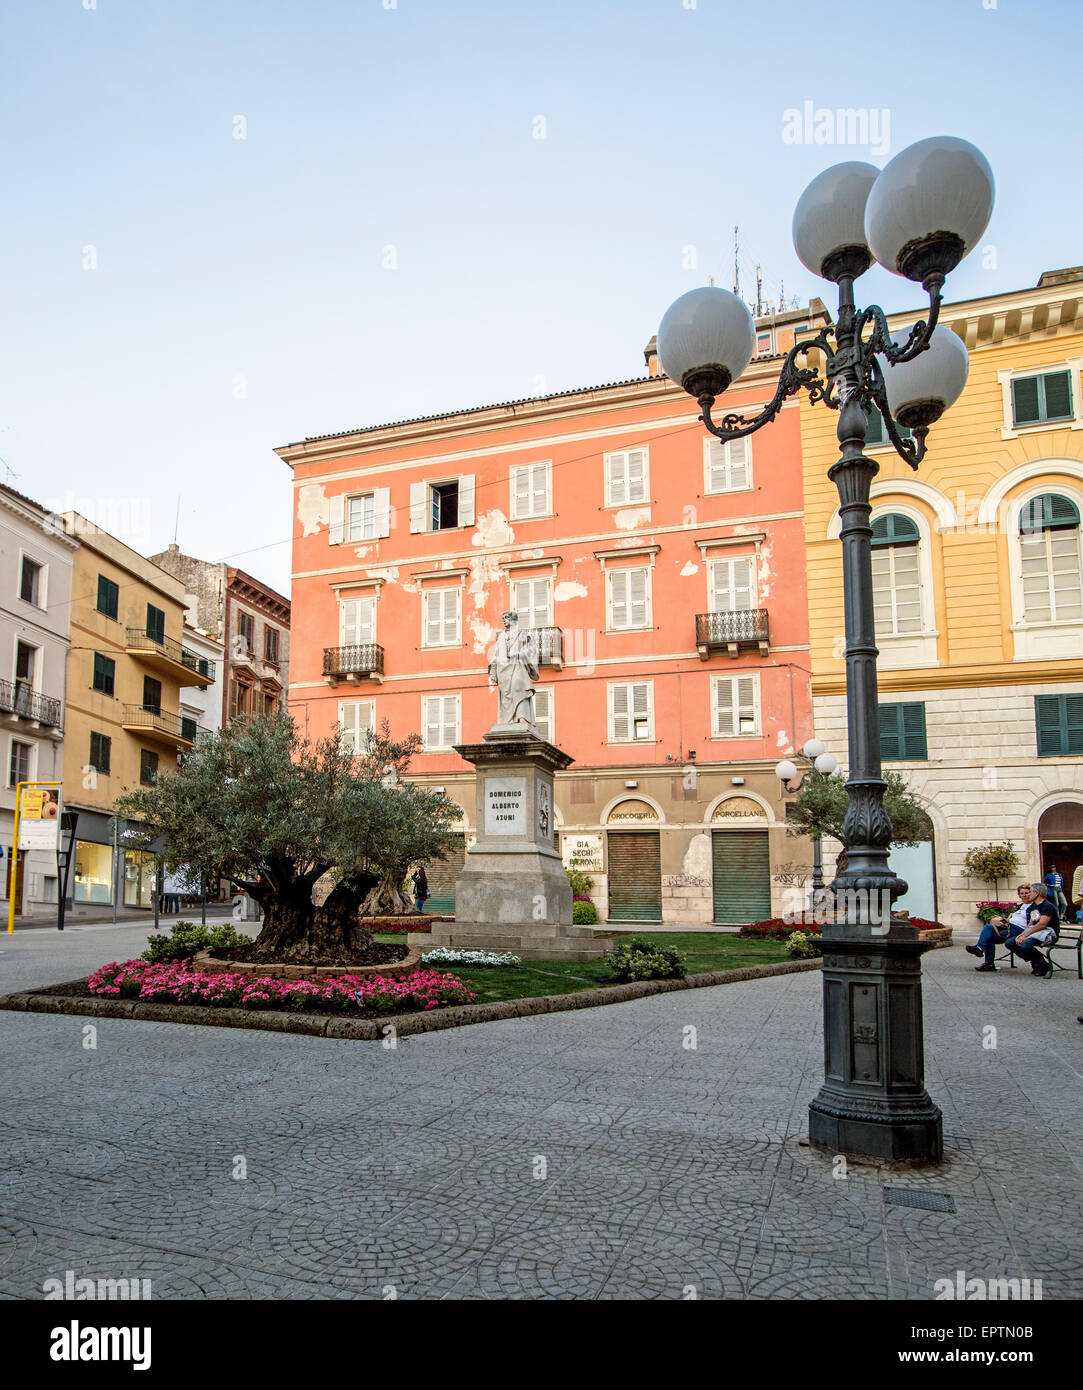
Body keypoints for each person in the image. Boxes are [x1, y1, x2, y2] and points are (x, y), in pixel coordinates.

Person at [965, 885, 1033, 972]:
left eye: (1026, 893)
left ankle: (987, 960)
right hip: (1009, 926)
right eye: (1022, 893)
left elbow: (1032, 923)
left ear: (1031, 894)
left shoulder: (1033, 907)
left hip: (1018, 930)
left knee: (989, 938)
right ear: (1019, 895)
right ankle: (980, 950)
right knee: (988, 927)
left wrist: (1025, 934)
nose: (1024, 895)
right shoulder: (1021, 906)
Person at [1006, 881, 1060, 976]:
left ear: (1037, 893)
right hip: (1035, 932)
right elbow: (1031, 923)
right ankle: (1037, 962)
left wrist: (1026, 936)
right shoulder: (1034, 906)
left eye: (1030, 892)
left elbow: (1041, 924)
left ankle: (1041, 965)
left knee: (1026, 944)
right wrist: (1022, 935)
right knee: (1010, 943)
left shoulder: (1047, 906)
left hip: (1047, 934)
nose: (1028, 894)